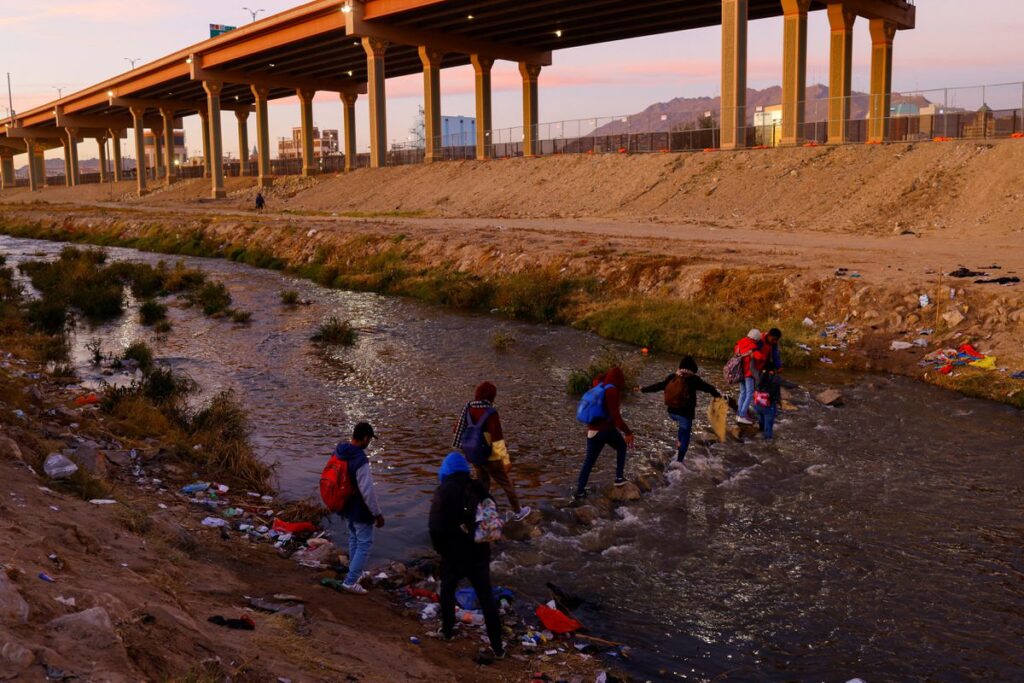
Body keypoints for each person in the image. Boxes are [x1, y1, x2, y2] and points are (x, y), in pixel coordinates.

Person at [429, 452, 506, 660]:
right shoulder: (479, 488)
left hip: (453, 554)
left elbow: (435, 527)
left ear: (446, 470)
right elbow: (491, 523)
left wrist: (441, 550)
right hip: (479, 553)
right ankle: (498, 646)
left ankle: (447, 631)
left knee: (448, 590)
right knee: (486, 597)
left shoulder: (443, 491)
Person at [452, 381, 531, 523]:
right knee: (506, 483)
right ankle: (518, 512)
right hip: (491, 457)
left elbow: (456, 429)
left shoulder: (469, 408)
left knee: (483, 484)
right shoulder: (491, 413)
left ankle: (480, 512)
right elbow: (497, 440)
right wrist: (506, 461)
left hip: (474, 454)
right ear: (491, 396)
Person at [637, 355, 721, 464]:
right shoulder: (694, 379)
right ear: (693, 368)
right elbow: (710, 388)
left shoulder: (673, 377)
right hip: (685, 414)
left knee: (682, 428)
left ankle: (678, 442)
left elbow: (659, 386)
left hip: (671, 412)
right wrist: (718, 397)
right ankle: (679, 462)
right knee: (685, 435)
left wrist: (643, 389)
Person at [334, 422, 385, 595]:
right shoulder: (360, 459)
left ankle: (355, 572)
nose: (369, 442)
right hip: (359, 507)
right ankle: (350, 582)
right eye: (369, 439)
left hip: (346, 503)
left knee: (354, 538)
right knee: (365, 544)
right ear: (364, 438)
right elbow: (367, 491)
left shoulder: (341, 451)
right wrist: (377, 514)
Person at [573, 367, 634, 503]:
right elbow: (616, 418)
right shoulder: (612, 390)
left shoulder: (599, 385)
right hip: (605, 430)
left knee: (588, 463)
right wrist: (628, 432)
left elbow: (597, 378)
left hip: (592, 431)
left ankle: (580, 492)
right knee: (622, 447)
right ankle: (619, 478)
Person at [733, 329, 765, 425]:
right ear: (756, 338)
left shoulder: (739, 342)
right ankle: (742, 415)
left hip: (739, 372)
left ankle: (738, 414)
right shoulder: (753, 346)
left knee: (742, 393)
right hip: (748, 373)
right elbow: (760, 357)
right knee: (749, 393)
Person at [754, 368, 782, 440]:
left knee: (761, 420)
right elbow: (775, 393)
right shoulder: (775, 378)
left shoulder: (758, 375)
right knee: (768, 425)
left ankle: (761, 432)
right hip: (768, 406)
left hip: (758, 403)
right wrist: (779, 402)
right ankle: (767, 440)